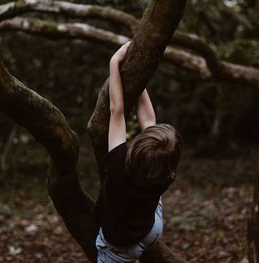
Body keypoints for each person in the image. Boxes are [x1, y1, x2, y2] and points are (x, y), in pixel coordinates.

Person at [95, 42, 183, 263]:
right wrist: (137, 76)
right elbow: (146, 120)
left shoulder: (118, 166)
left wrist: (115, 62)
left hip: (120, 246)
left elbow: (117, 111)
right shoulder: (166, 175)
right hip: (151, 228)